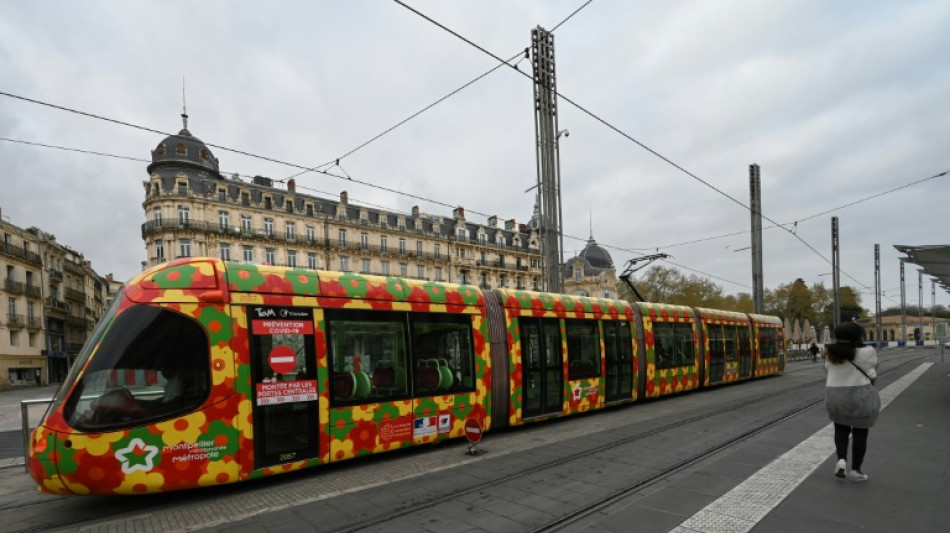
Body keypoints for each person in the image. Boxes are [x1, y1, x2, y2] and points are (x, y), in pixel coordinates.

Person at [823, 321, 879, 482]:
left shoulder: (828, 352)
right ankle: (856, 470)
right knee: (860, 432)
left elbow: (827, 370)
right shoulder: (868, 352)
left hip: (834, 396)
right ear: (857, 336)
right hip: (859, 396)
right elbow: (873, 372)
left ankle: (841, 460)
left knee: (840, 428)